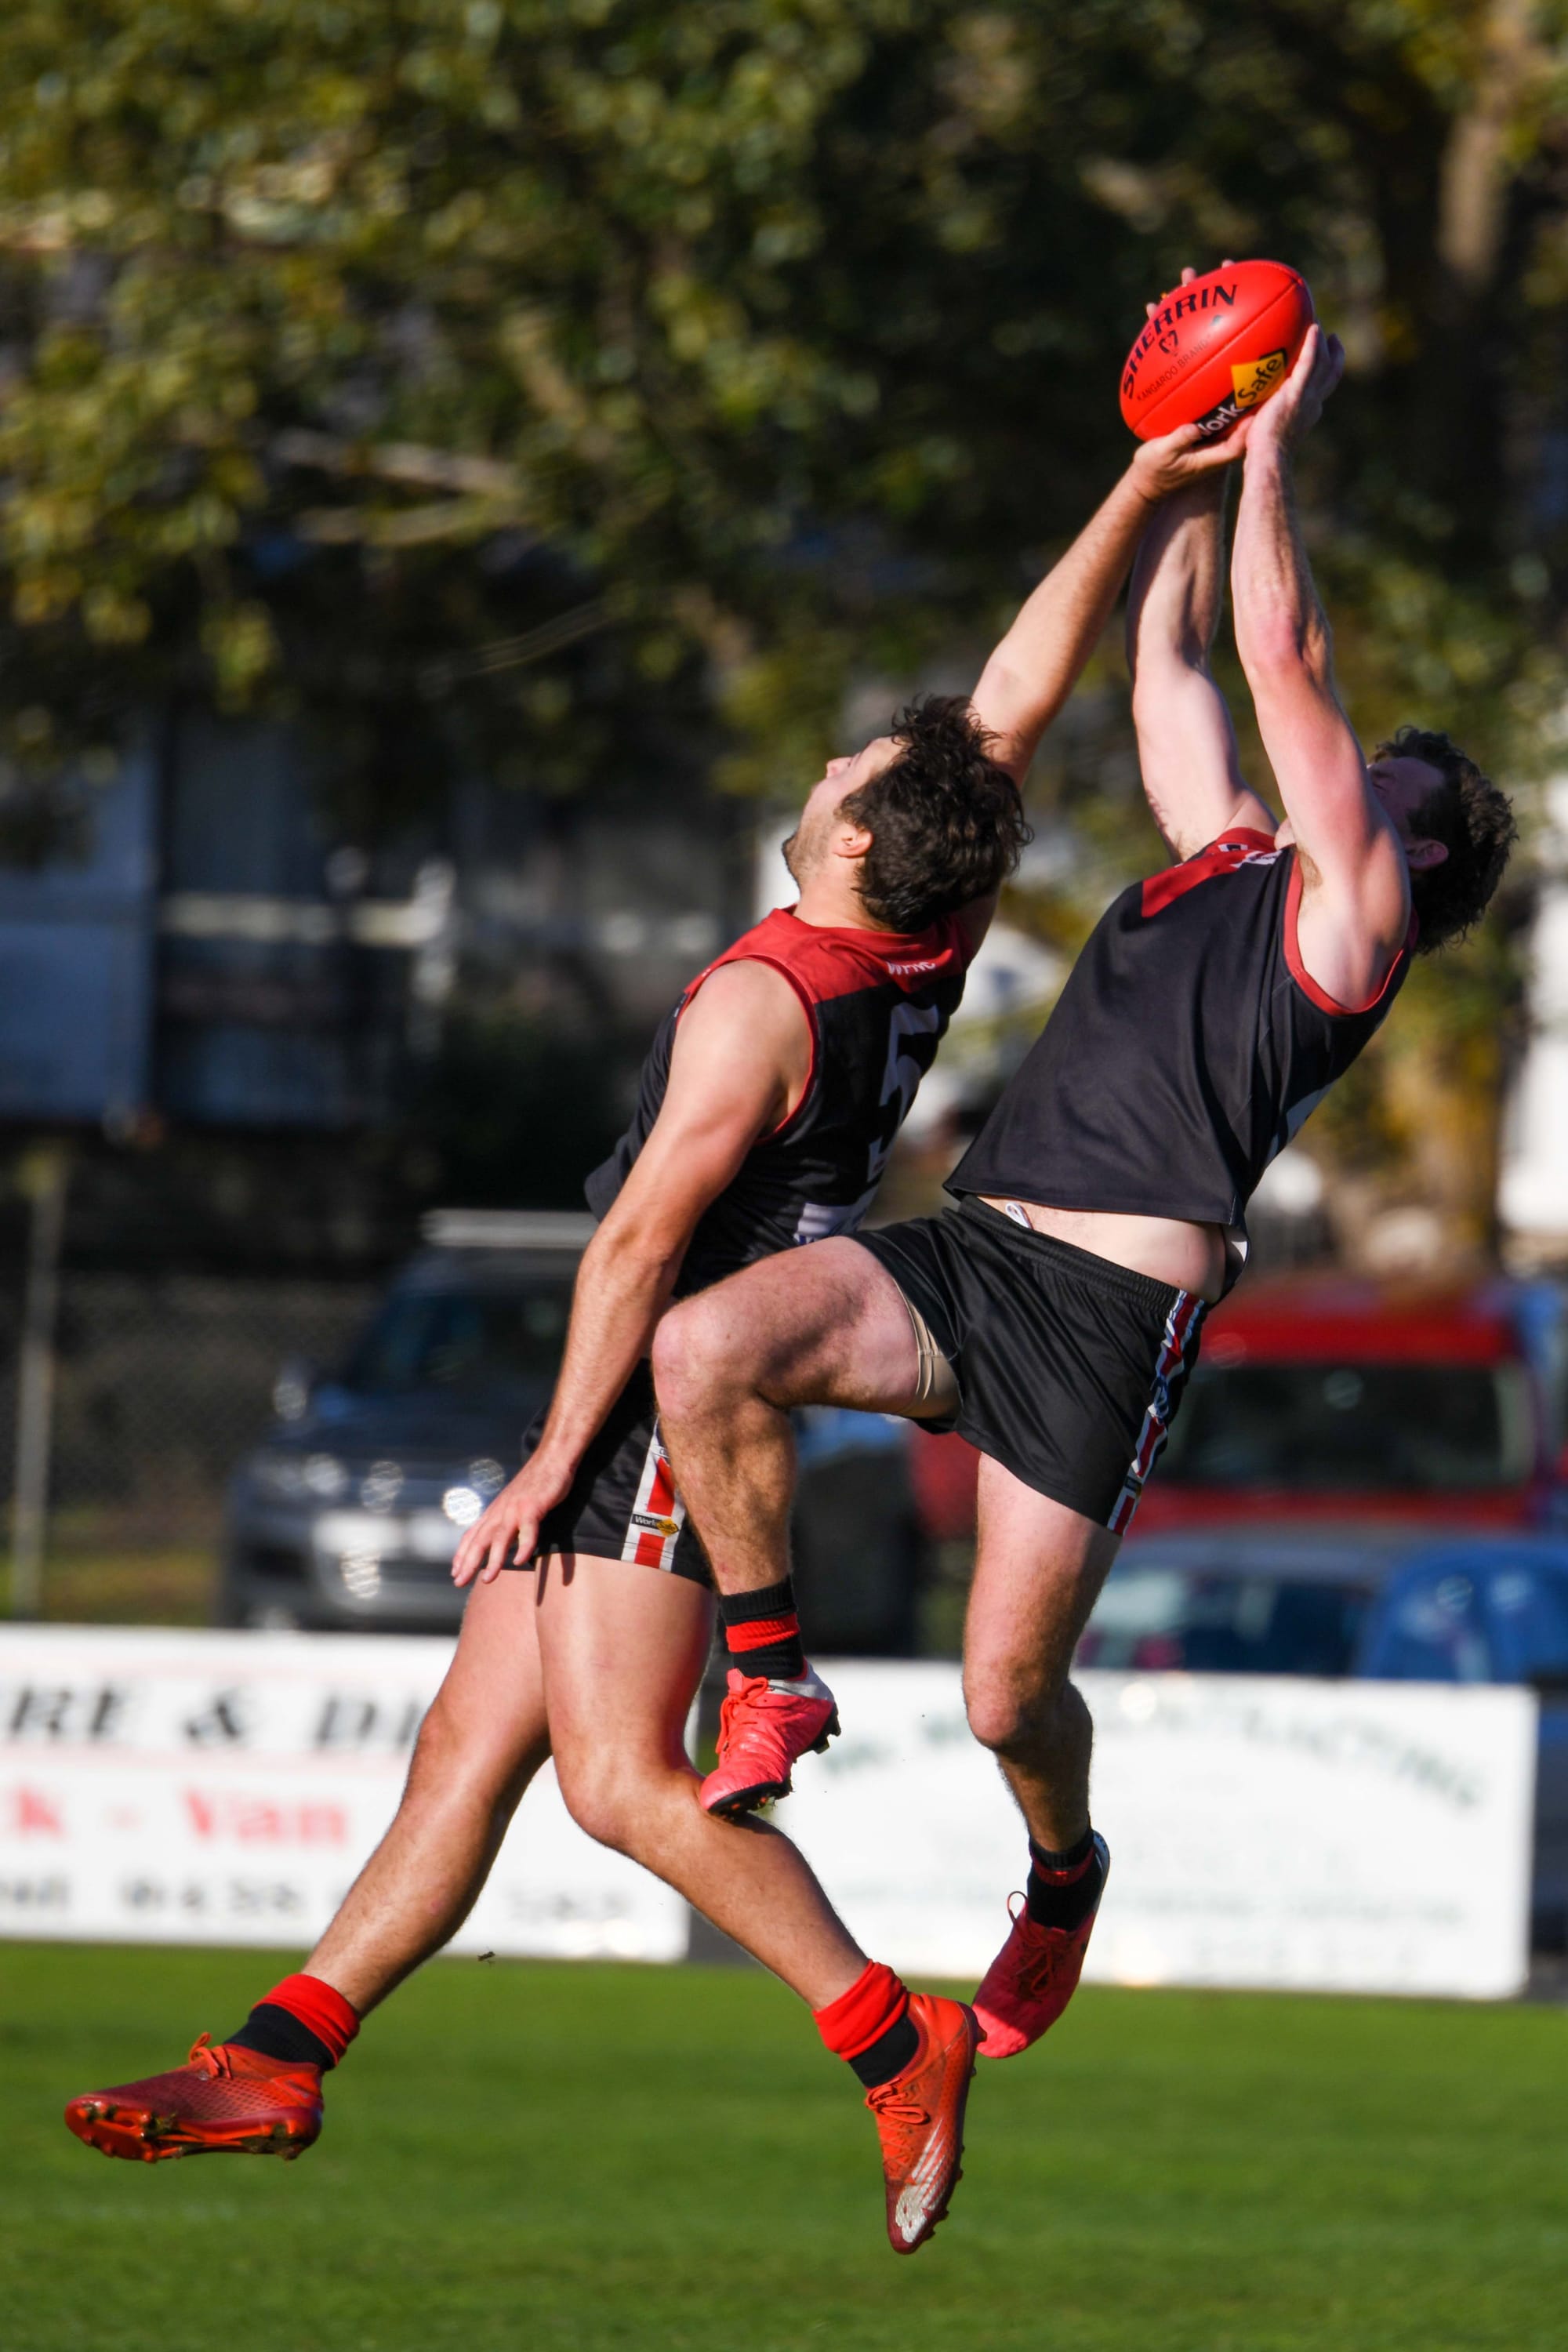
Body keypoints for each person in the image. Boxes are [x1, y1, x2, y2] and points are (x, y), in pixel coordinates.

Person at [64, 412, 1247, 2256]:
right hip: (677, 1395)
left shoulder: (764, 1001)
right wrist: (1139, 484)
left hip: (658, 1420)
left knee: (623, 1782)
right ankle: (281, 2053)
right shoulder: (920, 933)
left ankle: (886, 2037)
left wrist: (550, 1457)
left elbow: (632, 1245)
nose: (841, 755)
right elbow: (1011, 698)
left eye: (847, 759)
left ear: (853, 834)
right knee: (467, 1751)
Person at [650, 320, 1518, 2073]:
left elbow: (1278, 660)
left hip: (1106, 1323)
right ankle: (768, 1667)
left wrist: (1278, 435)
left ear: (1418, 858)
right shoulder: (1228, 862)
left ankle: (1061, 1870)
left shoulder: (1351, 929)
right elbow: (1173, 664)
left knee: (1001, 1698)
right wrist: (1191, 450)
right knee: (703, 1348)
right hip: (975, 1248)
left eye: (1379, 786)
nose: (1335, 783)